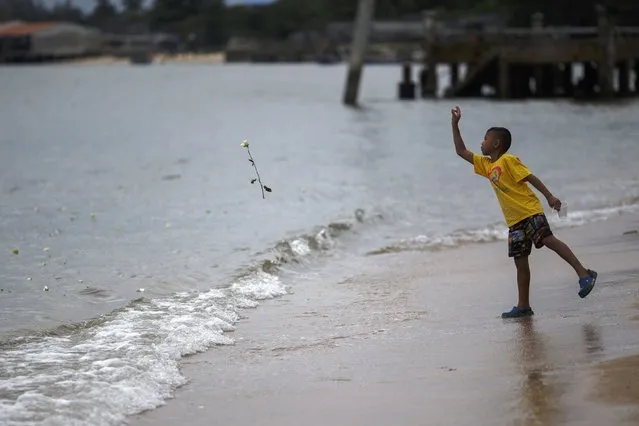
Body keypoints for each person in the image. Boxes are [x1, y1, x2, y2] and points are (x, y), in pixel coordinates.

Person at [450, 106, 597, 318]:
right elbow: (461, 151)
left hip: (530, 212)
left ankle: (584, 275)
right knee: (520, 262)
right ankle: (523, 306)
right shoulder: (486, 165)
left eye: (485, 138)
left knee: (549, 240)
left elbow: (530, 177)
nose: (481, 142)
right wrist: (455, 125)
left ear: (496, 144)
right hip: (514, 221)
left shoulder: (508, 160)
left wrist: (550, 197)